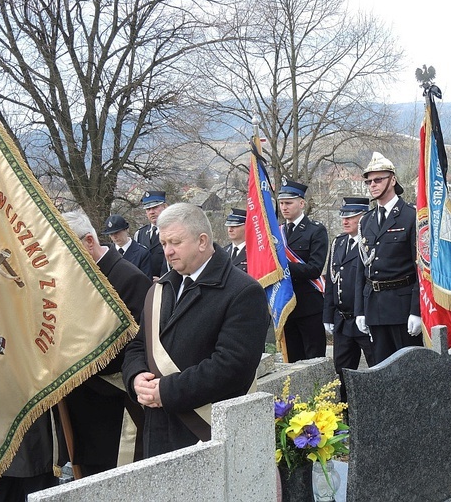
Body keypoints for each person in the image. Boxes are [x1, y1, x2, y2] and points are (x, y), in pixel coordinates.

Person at [121, 203, 269, 457]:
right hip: (157, 428)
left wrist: (166, 391)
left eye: (175, 242)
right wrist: (136, 379)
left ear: (202, 241)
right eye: (164, 243)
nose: (167, 251)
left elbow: (233, 365)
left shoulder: (243, 291)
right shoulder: (159, 289)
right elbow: (138, 346)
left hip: (205, 431)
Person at [63, 210, 152, 475]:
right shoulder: (75, 278)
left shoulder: (129, 278)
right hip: (82, 407)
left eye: (69, 249)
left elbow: (137, 345)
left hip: (114, 410)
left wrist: (73, 356)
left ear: (89, 241)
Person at [355, 152, 420, 364]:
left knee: (409, 370)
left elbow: (421, 267)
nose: (372, 185)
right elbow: (361, 270)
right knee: (382, 373)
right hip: (374, 306)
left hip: (402, 307)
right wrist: (360, 310)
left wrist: (416, 311)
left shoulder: (411, 216)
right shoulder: (367, 220)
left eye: (378, 180)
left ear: (392, 180)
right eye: (369, 181)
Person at [323, 197, 375, 404]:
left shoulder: (368, 242)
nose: (345, 221)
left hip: (363, 319)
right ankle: (345, 417)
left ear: (362, 217)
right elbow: (330, 282)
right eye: (343, 216)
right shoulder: (338, 243)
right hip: (342, 321)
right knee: (342, 373)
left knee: (376, 368)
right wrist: (328, 315)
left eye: (351, 217)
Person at [278, 179, 329, 362]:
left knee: (313, 360)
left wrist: (282, 267)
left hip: (308, 306)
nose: (284, 207)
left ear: (301, 203)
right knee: (291, 360)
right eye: (282, 203)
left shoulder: (315, 230)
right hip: (285, 305)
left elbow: (314, 269)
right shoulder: (278, 233)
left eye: (289, 203)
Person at [133, 191, 168, 281]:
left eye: (155, 207)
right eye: (148, 209)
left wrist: (163, 279)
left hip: (167, 284)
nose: (151, 212)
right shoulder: (139, 234)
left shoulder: (172, 231)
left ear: (164, 207)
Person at [223, 208, 248, 273]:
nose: (230, 230)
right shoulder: (223, 252)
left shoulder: (254, 252)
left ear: (246, 226)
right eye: (229, 226)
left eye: (235, 226)